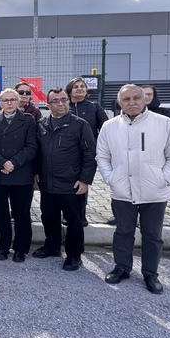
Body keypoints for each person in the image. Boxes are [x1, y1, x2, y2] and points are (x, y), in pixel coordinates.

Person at [97, 84, 170, 294]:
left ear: (145, 99)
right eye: (126, 99)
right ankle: (122, 267)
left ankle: (150, 273)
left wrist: (165, 178)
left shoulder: (162, 123)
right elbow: (102, 156)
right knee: (123, 231)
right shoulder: (109, 126)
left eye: (136, 97)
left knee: (152, 234)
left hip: (154, 191)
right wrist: (110, 178)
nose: (132, 102)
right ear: (119, 103)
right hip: (122, 190)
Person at [31, 88, 97, 271]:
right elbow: (37, 152)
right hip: (47, 183)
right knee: (48, 217)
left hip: (71, 184)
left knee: (74, 221)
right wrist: (36, 172)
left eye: (64, 99)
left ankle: (74, 255)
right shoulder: (41, 125)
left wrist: (85, 180)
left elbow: (90, 154)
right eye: (56, 101)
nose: (61, 103)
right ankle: (52, 246)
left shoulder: (80, 125)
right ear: (47, 105)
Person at [0, 88, 38, 262]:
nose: (9, 103)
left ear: (18, 101)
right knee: (1, 213)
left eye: (12, 100)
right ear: (0, 103)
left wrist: (13, 162)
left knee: (21, 213)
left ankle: (21, 249)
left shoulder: (28, 120)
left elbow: (32, 147)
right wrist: (2, 162)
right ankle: (4, 247)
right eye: (5, 100)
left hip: (21, 173)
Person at [65, 76, 109, 227]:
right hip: (67, 153)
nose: (80, 89)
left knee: (83, 183)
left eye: (82, 86)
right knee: (67, 185)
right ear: (69, 91)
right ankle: (67, 214)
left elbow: (106, 128)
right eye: (76, 87)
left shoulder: (94, 107)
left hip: (87, 154)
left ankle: (81, 215)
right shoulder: (65, 106)